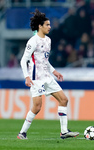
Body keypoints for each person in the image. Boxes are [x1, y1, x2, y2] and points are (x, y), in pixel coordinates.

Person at [18, 9, 79, 140]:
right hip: (36, 78)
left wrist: (54, 71)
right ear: (40, 26)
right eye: (47, 25)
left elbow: (44, 60)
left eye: (50, 25)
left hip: (47, 77)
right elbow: (23, 60)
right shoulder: (33, 41)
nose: (50, 27)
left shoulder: (48, 40)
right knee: (37, 106)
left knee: (64, 100)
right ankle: (22, 133)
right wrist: (26, 77)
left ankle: (64, 131)